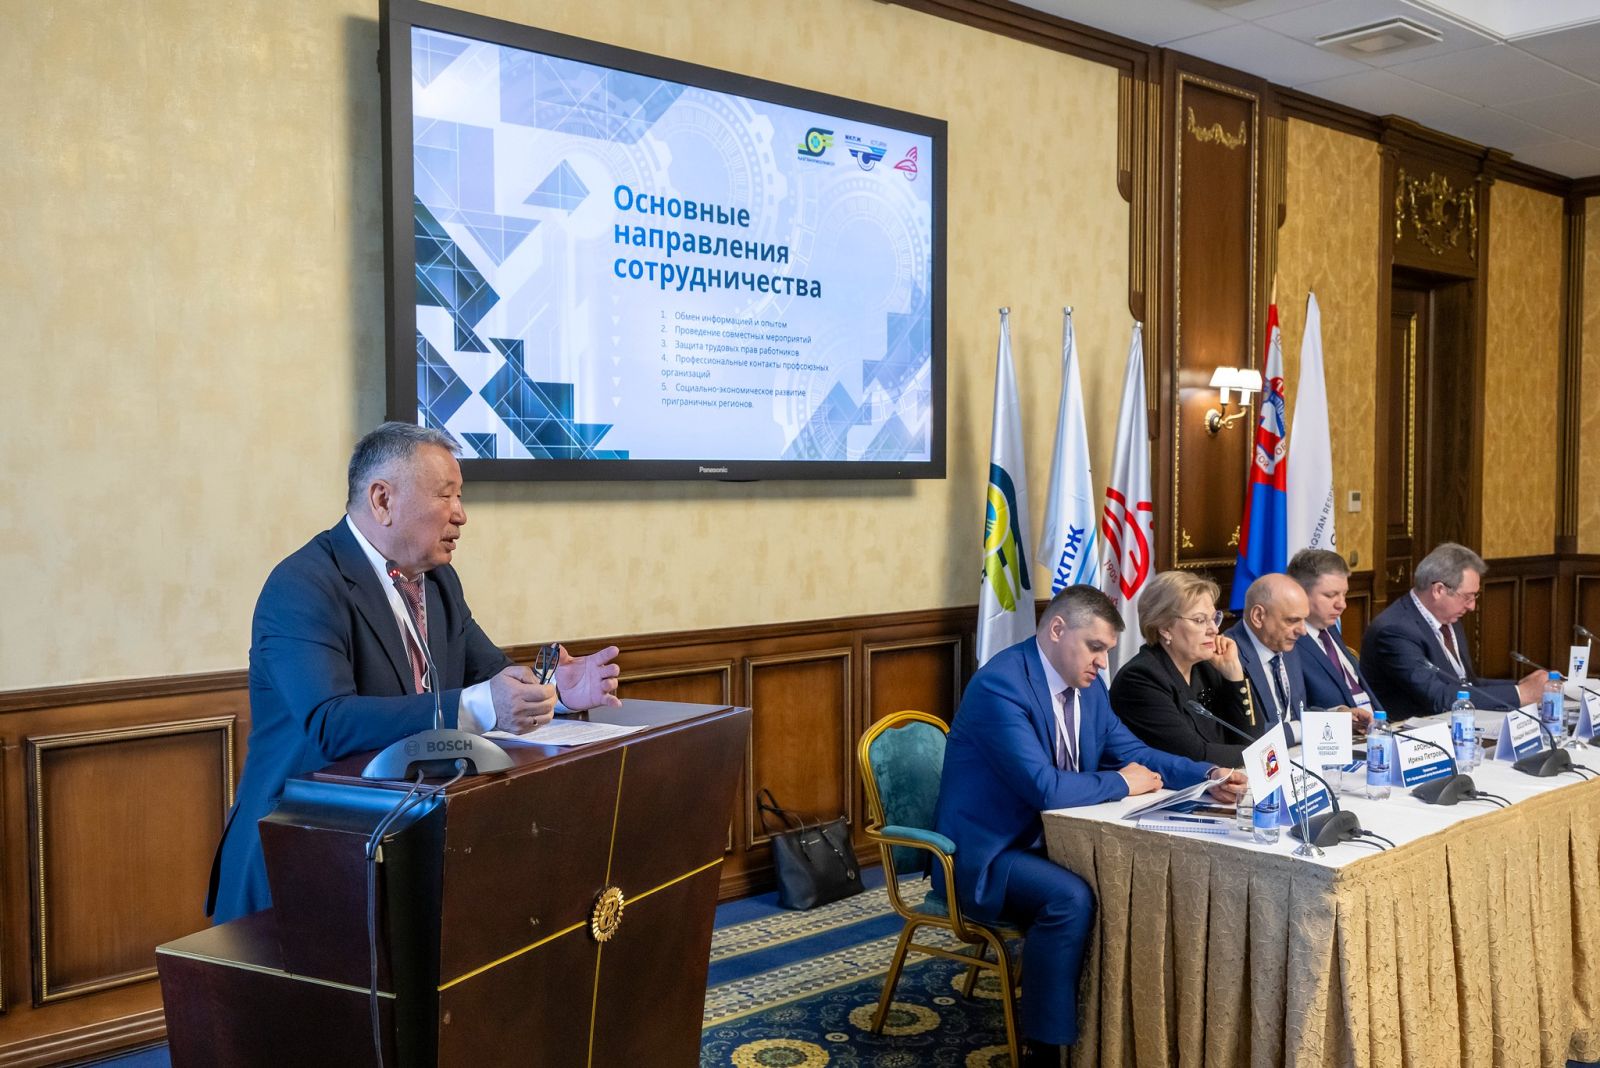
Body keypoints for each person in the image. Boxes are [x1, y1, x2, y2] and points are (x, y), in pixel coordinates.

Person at [207, 422, 621, 924]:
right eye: (445, 495)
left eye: (460, 496)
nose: (461, 514)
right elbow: (331, 722)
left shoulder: (438, 581)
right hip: (300, 857)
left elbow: (490, 673)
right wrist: (479, 706)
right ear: (382, 500)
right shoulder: (303, 585)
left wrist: (555, 689)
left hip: (403, 848)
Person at [933, 585, 1245, 1065]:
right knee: (1069, 898)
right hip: (990, 851)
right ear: (1057, 630)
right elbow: (1045, 787)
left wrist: (1207, 775)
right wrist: (1121, 783)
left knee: (1136, 875)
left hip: (1056, 837)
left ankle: (1121, 1033)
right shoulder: (1000, 686)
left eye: (1107, 651)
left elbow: (1135, 752)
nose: (1103, 663)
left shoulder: (1090, 686)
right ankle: (1048, 1050)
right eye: (1095, 647)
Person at [1360, 542, 1546, 718]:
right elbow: (1438, 698)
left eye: (1475, 597)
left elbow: (1466, 684)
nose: (1472, 606)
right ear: (1439, 590)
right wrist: (1521, 693)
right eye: (1467, 597)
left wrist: (1523, 685)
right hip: (1413, 733)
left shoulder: (1449, 619)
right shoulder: (1395, 631)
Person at [1108, 571, 1254, 764]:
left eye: (1214, 618)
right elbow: (1194, 755)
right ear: (1165, 628)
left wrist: (1234, 675)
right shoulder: (1139, 679)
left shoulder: (1206, 666)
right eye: (1200, 620)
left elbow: (1250, 736)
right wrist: (1261, 754)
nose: (1214, 629)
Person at [1287, 549, 1374, 730]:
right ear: (1299, 593)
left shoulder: (1330, 628)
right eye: (1330, 595)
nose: (1342, 604)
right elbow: (1296, 711)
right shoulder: (1289, 642)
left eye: (1344, 594)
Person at [1225, 574, 1310, 742]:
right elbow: (1244, 732)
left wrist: (1336, 716)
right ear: (1258, 616)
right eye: (1292, 620)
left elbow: (1296, 713)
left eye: (1304, 620)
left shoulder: (1284, 643)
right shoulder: (1227, 656)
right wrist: (1303, 729)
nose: (1303, 631)